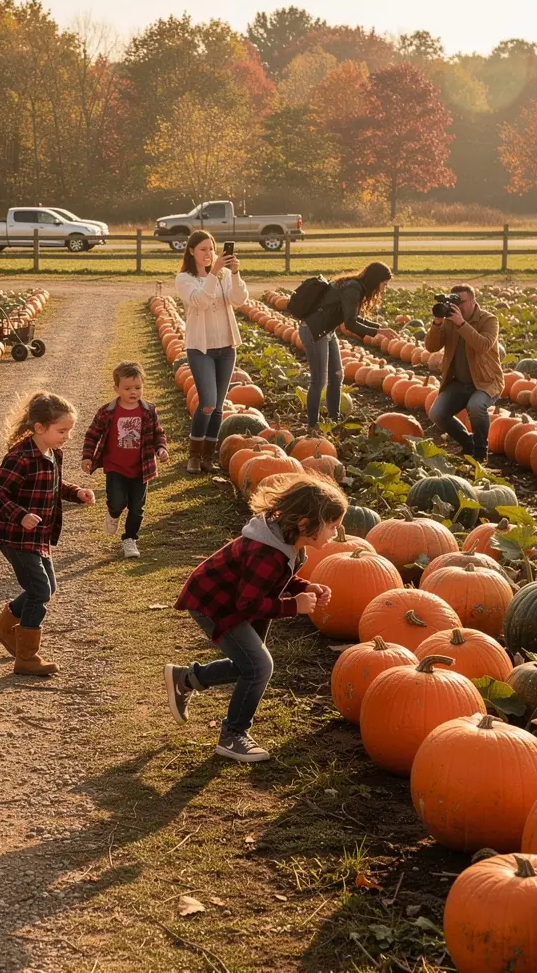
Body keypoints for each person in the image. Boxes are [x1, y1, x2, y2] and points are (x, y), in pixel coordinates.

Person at [163, 473, 346, 763]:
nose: (336, 533)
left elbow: (274, 580)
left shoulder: (288, 543)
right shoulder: (267, 552)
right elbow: (248, 602)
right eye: (332, 527)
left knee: (248, 665)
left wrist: (303, 586)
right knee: (259, 666)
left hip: (234, 599)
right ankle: (233, 735)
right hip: (214, 602)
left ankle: (185, 679)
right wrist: (292, 606)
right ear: (305, 523)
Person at [0, 392, 95, 676]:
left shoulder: (53, 453)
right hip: (16, 537)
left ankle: (3, 628)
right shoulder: (19, 457)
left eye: (69, 430)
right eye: (62, 430)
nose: (67, 436)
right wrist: (20, 515)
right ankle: (27, 657)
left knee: (48, 588)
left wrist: (77, 493)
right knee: (39, 591)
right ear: (39, 428)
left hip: (38, 537)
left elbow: (56, 485)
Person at [175, 231, 248, 474]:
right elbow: (201, 301)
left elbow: (239, 299)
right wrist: (214, 273)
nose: (208, 253)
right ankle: (194, 456)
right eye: (203, 249)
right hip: (200, 348)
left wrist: (235, 273)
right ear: (192, 251)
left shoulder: (226, 274)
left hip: (226, 347)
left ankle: (208, 457)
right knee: (207, 403)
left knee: (218, 406)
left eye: (211, 248)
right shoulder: (184, 279)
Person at [80, 360, 169, 559]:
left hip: (141, 469)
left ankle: (130, 539)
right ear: (117, 388)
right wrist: (88, 457)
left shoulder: (148, 411)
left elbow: (158, 434)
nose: (133, 392)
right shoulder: (107, 412)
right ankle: (113, 513)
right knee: (117, 501)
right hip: (116, 468)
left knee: (137, 506)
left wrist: (161, 448)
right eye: (127, 388)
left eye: (138, 387)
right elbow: (92, 435)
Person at [298, 262, 396, 432]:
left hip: (326, 331)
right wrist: (376, 332)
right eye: (384, 284)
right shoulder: (353, 289)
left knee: (337, 375)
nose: (384, 288)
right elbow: (350, 324)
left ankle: (333, 420)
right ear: (376, 280)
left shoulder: (356, 287)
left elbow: (353, 317)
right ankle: (312, 425)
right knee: (319, 380)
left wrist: (379, 328)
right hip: (313, 331)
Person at [425, 284, 504, 463]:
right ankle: (468, 443)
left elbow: (483, 345)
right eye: (455, 302)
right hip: (459, 382)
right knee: (437, 413)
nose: (457, 306)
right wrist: (437, 323)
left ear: (473, 300)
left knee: (476, 406)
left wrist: (462, 323)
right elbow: (431, 347)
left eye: (461, 302)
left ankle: (480, 451)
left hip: (485, 381)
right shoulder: (449, 321)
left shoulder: (489, 320)